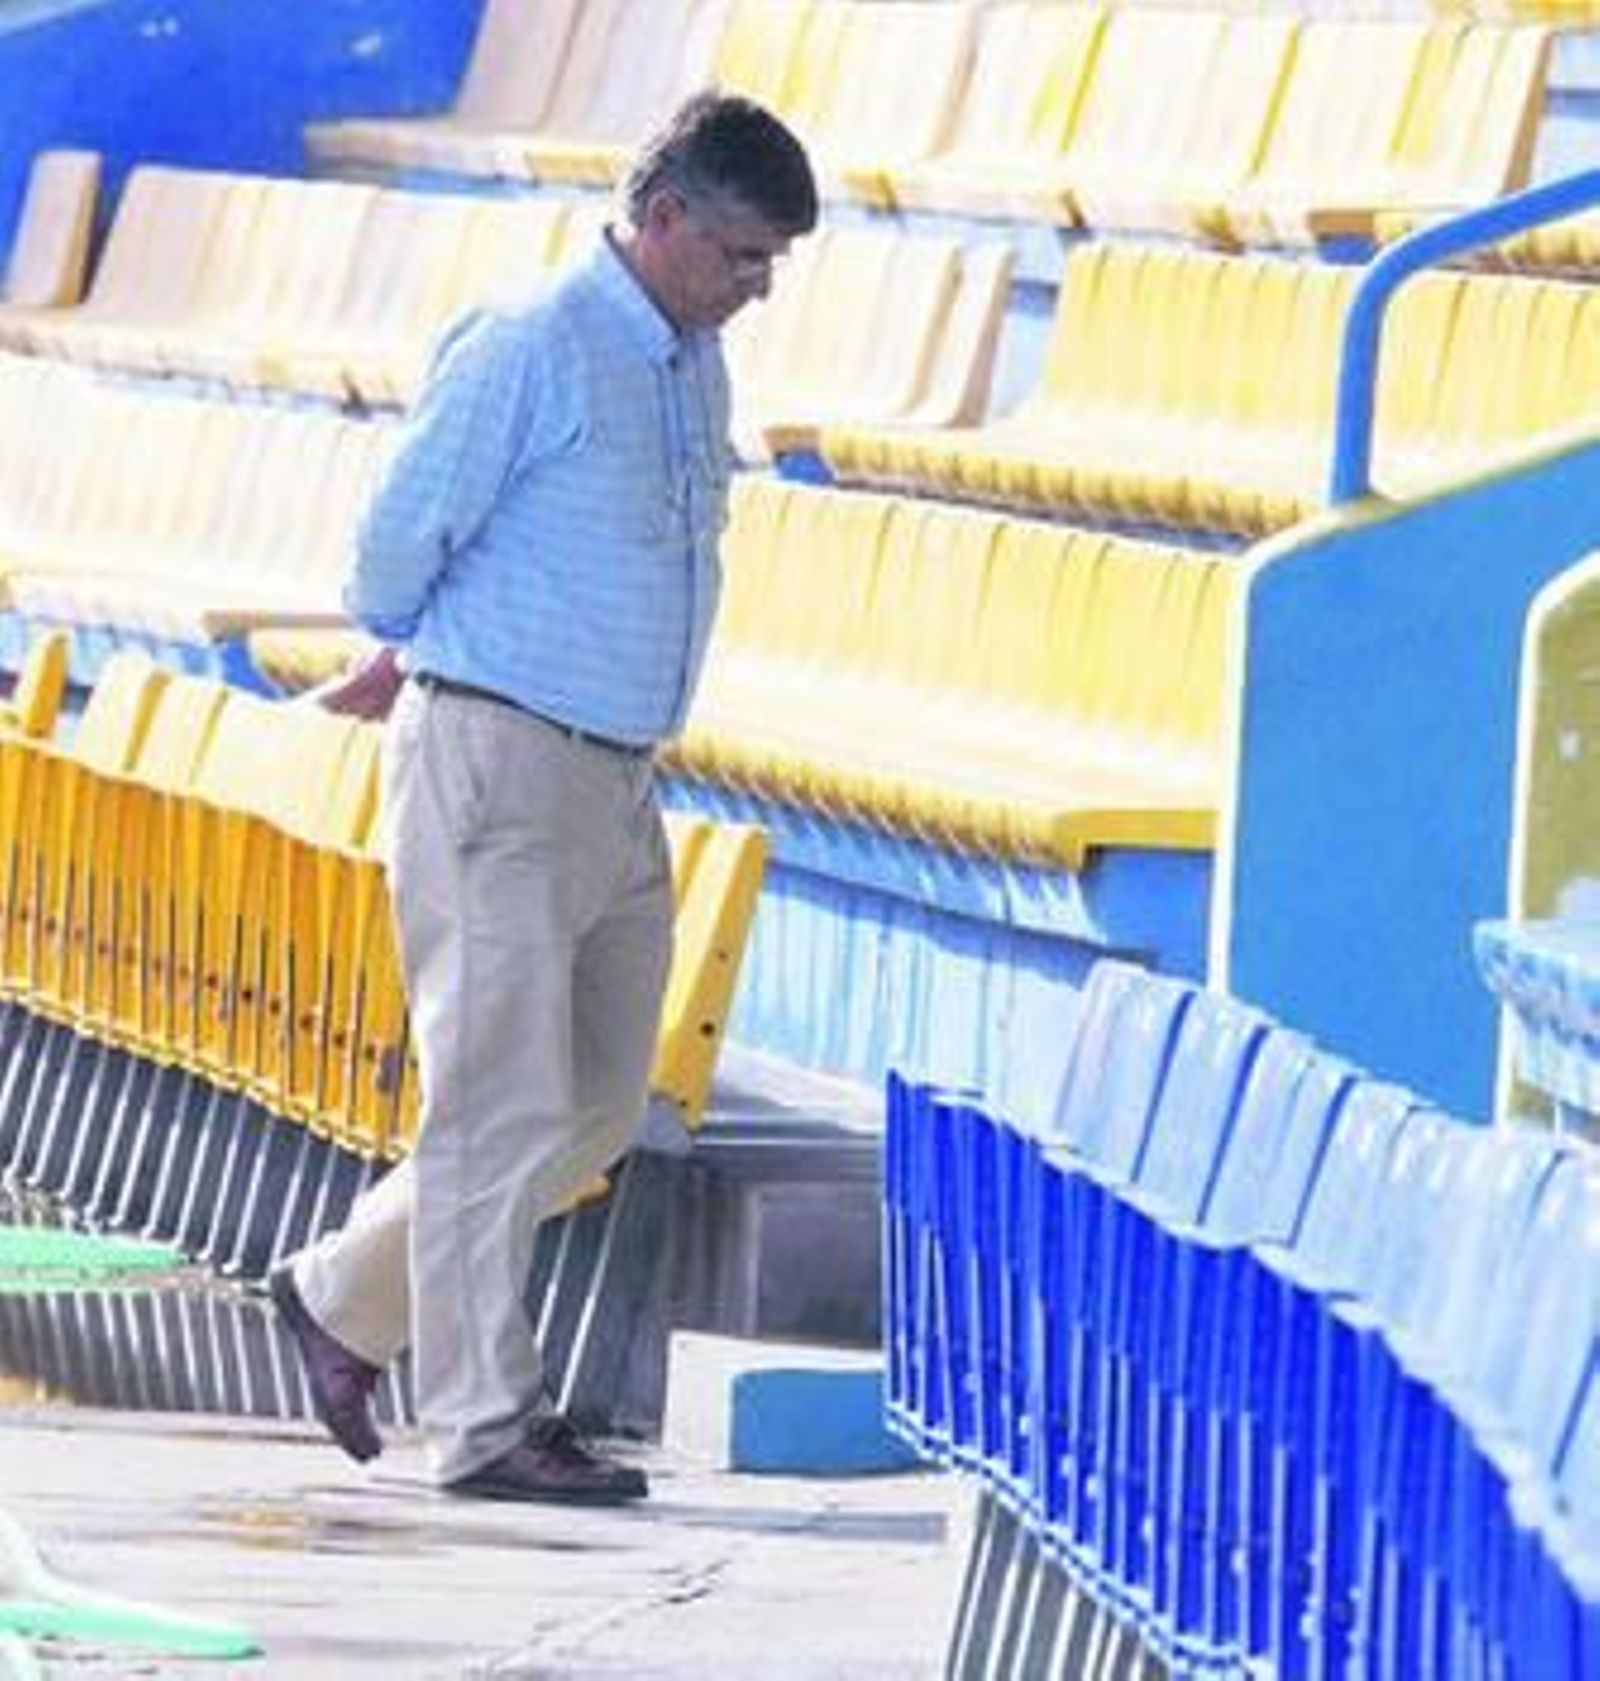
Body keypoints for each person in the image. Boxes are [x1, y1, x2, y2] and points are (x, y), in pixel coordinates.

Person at [269, 92, 818, 1505]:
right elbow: (395, 543)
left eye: (773, 267)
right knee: (491, 1101)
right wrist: (424, 648)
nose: (756, 289)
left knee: (585, 1107)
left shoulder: (692, 362)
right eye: (743, 255)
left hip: (617, 775)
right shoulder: (531, 342)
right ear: (667, 217)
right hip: (500, 758)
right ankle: (485, 1421)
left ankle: (343, 1299)